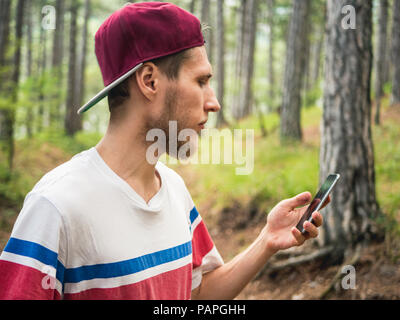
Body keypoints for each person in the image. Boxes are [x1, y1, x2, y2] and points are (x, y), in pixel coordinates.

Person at [0, 2, 326, 300]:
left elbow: (198, 292)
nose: (213, 102)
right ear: (150, 81)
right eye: (200, 81)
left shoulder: (174, 191)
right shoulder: (56, 207)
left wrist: (266, 241)